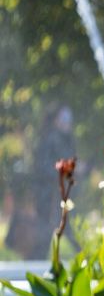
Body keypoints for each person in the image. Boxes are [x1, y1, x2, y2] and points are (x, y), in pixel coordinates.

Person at [5, 103, 75, 259]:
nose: (68, 122)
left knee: (55, 229)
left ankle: (36, 263)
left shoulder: (59, 138)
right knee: (50, 229)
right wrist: (66, 170)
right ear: (56, 120)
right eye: (64, 118)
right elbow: (44, 167)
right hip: (47, 195)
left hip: (51, 195)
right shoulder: (52, 138)